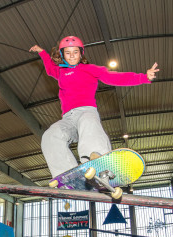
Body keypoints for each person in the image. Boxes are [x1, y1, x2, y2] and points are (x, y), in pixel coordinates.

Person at [29, 36, 159, 178]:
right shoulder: (61, 71)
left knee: (88, 121)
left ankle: (98, 161)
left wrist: (143, 77)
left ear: (81, 53)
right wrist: (42, 52)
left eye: (75, 52)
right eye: (67, 52)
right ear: (62, 55)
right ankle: (67, 175)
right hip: (68, 119)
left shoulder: (90, 69)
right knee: (50, 135)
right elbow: (49, 67)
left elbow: (114, 77)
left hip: (86, 111)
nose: (72, 55)